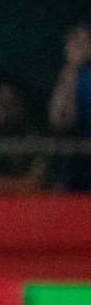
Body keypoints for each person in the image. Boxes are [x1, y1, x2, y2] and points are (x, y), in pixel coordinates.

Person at [48, 24, 91, 191]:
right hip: (75, 174)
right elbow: (59, 122)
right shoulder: (70, 76)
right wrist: (72, 67)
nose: (78, 46)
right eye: (73, 42)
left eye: (84, 41)